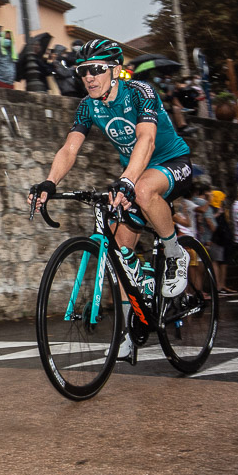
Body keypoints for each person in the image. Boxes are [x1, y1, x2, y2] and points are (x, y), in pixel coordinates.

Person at [28, 39, 193, 359]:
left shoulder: (140, 93)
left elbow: (146, 139)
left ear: (116, 70)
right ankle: (129, 330)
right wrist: (50, 182)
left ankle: (176, 253)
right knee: (121, 252)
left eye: (97, 70)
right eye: (83, 71)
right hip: (135, 173)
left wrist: (128, 181)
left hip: (173, 164)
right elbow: (70, 148)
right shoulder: (88, 106)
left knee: (143, 191)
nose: (89, 77)